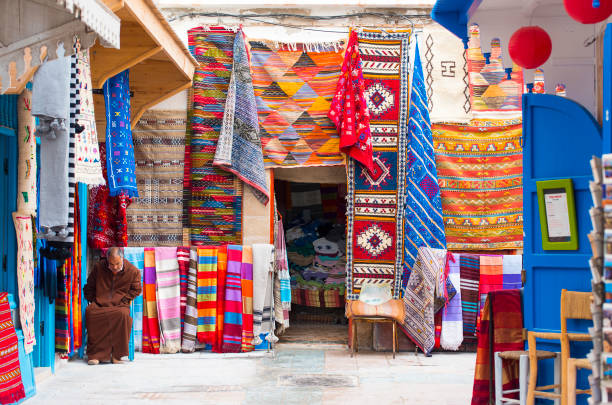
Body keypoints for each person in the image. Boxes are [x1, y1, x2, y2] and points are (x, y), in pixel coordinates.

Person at [84, 247, 142, 365]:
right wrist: (94, 299)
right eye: (111, 264)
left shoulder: (133, 271)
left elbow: (136, 290)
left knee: (123, 315)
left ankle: (117, 356)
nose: (114, 267)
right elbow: (89, 286)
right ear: (106, 260)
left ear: (122, 259)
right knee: (90, 312)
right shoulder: (99, 267)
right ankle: (95, 355)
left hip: (120, 305)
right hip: (100, 303)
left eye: (117, 263)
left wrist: (124, 300)